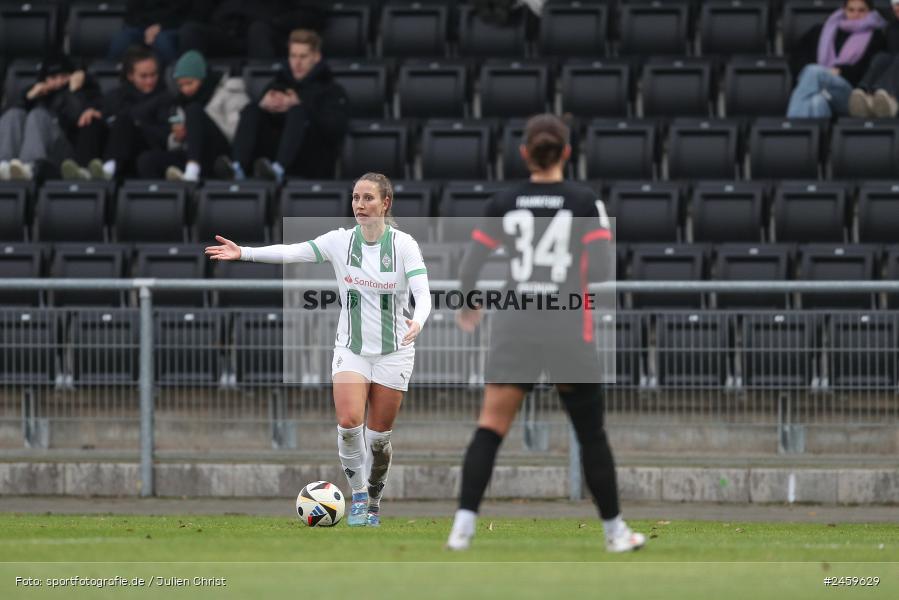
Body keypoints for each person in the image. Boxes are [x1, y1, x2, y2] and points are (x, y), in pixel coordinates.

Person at [444, 114, 645, 553]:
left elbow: (470, 266)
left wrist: (469, 303)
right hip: (567, 323)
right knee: (590, 433)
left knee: (490, 427)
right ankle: (615, 533)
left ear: (525, 154)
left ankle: (461, 531)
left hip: (515, 322)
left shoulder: (504, 202)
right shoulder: (583, 201)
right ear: (567, 153)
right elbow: (604, 269)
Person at [205, 172, 431, 527]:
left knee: (378, 440)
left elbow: (423, 291)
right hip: (351, 348)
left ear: (386, 203)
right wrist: (244, 253)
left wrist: (418, 319)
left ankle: (374, 498)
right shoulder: (340, 242)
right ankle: (358, 496)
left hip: (395, 351)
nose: (360, 204)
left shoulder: (403, 245)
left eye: (368, 198)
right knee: (347, 422)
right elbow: (293, 252)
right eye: (356, 197)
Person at [216, 28, 348, 183]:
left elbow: (335, 129)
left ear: (316, 57)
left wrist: (300, 106)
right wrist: (264, 104)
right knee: (252, 109)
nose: (297, 63)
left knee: (297, 111)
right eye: (293, 56)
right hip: (270, 155)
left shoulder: (332, 90)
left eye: (303, 57)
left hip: (310, 159)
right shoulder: (277, 84)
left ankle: (278, 169)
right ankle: (237, 167)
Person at [135, 50, 250, 181]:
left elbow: (237, 135)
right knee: (147, 160)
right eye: (181, 85)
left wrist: (201, 127)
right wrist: (178, 138)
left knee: (194, 110)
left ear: (202, 78)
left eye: (189, 83)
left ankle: (191, 172)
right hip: (192, 154)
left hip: (220, 157)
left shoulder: (230, 93)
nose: (185, 89)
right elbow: (178, 145)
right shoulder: (181, 102)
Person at [61, 45, 171, 181]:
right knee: (92, 121)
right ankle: (82, 171)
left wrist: (138, 125)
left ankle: (108, 170)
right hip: (110, 148)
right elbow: (101, 113)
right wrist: (93, 112)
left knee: (123, 120)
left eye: (153, 75)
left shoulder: (165, 98)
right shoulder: (115, 96)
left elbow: (165, 134)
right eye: (144, 76)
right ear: (130, 76)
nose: (150, 80)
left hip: (141, 153)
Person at [0, 53, 99, 181]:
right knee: (14, 113)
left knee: (38, 115)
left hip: (66, 155)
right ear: (44, 79)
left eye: (64, 76)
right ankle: (3, 165)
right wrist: (28, 98)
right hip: (24, 157)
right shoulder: (34, 93)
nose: (58, 81)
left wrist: (73, 92)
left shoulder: (84, 91)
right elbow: (6, 120)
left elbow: (79, 119)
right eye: (53, 77)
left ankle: (30, 167)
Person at [787, 0, 886, 118]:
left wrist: (841, 71)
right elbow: (796, 57)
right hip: (820, 87)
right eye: (851, 10)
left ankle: (790, 128)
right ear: (844, 10)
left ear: (870, 12)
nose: (856, 14)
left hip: (851, 95)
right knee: (817, 102)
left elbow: (872, 70)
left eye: (861, 10)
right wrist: (824, 73)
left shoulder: (876, 37)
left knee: (814, 72)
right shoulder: (821, 30)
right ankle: (815, 135)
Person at [178, 1, 325, 60]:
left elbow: (315, 14)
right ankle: (192, 91)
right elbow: (198, 13)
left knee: (258, 30)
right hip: (226, 33)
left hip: (268, 34)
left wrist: (276, 22)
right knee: (191, 31)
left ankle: (266, 88)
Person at [107, 1, 209, 66]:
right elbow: (131, 14)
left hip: (175, 27)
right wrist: (148, 28)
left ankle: (172, 81)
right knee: (121, 40)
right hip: (143, 27)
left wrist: (162, 26)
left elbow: (196, 14)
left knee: (163, 41)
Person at [848, 0, 899, 117]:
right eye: (895, 5)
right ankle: (865, 93)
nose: (896, 8)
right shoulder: (893, 27)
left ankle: (889, 98)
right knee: (882, 58)